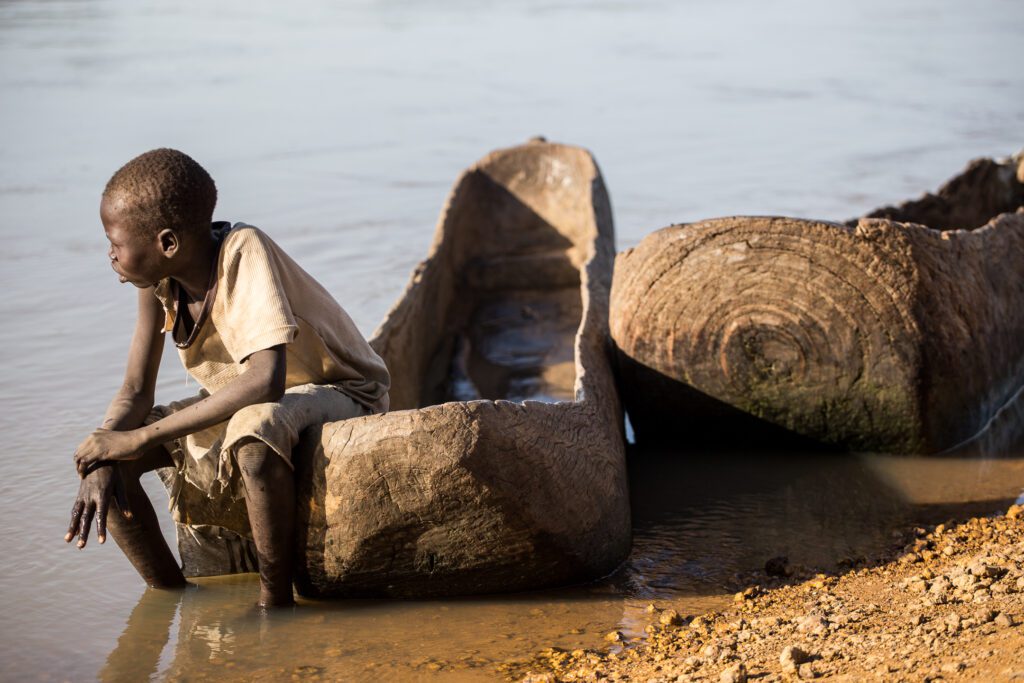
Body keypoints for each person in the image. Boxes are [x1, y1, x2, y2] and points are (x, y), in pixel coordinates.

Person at [64, 148, 390, 608]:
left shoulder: (243, 250)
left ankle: (275, 604)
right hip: (259, 402)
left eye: (115, 243)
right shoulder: (158, 284)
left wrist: (138, 439)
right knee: (110, 470)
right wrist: (105, 451)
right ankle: (172, 598)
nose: (110, 255)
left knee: (253, 437)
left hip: (343, 391)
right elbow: (135, 391)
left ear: (167, 243)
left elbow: (266, 380)